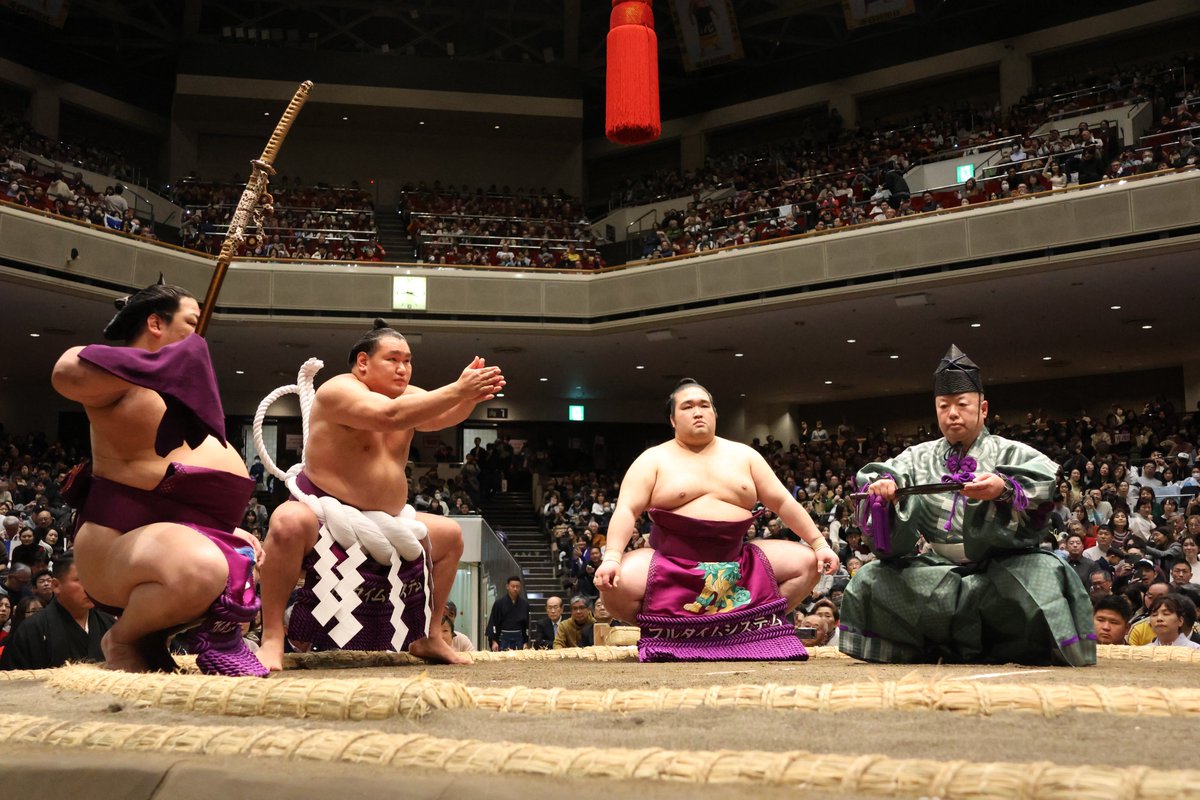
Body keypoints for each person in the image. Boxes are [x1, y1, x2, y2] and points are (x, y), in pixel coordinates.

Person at [259, 319, 504, 669]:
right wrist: (456, 389)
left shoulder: (408, 396)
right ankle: (272, 637)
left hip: (387, 520)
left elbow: (443, 417)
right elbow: (388, 416)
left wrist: (468, 397)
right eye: (393, 359)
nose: (403, 368)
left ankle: (428, 635)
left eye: (408, 360)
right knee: (285, 522)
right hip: (325, 515)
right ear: (363, 363)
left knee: (449, 536)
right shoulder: (337, 391)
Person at [50, 280, 266, 676]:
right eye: (190, 322)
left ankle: (151, 638)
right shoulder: (117, 381)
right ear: (154, 322)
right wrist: (163, 363)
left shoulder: (183, 389)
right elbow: (66, 372)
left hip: (171, 538)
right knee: (201, 567)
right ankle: (122, 638)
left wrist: (230, 528)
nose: (198, 337)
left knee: (236, 560)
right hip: (118, 543)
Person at [841, 346, 1095, 666]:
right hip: (935, 567)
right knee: (870, 580)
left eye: (962, 404)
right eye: (943, 406)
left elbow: (1043, 489)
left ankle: (1019, 649)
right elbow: (880, 475)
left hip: (1005, 565)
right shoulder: (917, 457)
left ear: (983, 408)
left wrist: (1004, 491)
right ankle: (926, 649)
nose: (953, 414)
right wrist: (882, 490)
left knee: (1046, 575)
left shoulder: (1011, 453)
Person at [596, 378, 837, 662]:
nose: (698, 412)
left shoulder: (745, 455)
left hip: (737, 561)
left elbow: (784, 502)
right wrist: (612, 556)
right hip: (672, 563)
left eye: (704, 405)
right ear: (673, 419)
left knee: (809, 563)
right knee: (614, 585)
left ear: (714, 413)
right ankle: (673, 629)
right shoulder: (653, 459)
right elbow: (626, 510)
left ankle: (746, 625)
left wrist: (820, 544)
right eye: (687, 407)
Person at [0, 557, 116, 670]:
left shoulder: (110, 624)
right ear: (56, 585)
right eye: (81, 580)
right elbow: (16, 681)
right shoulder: (31, 629)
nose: (91, 587)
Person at [485, 576, 529, 651]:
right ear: (507, 586)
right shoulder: (499, 603)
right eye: (513, 586)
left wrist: (526, 642)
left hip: (519, 638)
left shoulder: (524, 604)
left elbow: (526, 625)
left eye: (517, 587)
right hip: (503, 638)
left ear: (520, 587)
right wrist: (494, 641)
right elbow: (493, 622)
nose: (515, 589)